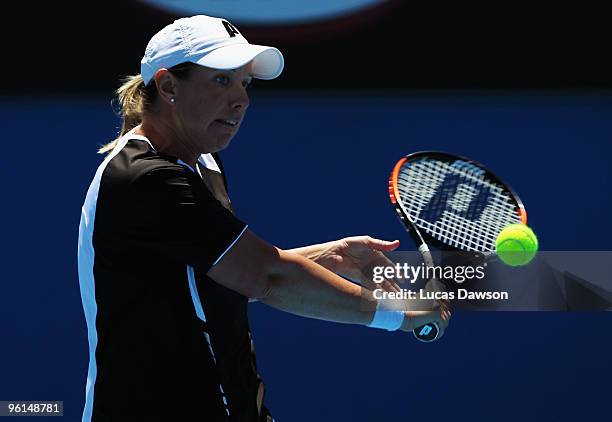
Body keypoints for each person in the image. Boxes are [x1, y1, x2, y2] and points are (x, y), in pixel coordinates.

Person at [77, 14, 449, 422]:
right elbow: (265, 277)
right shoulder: (146, 177)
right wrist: (398, 315)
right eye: (221, 80)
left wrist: (325, 255)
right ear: (168, 87)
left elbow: (220, 278)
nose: (241, 99)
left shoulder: (201, 163)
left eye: (244, 83)